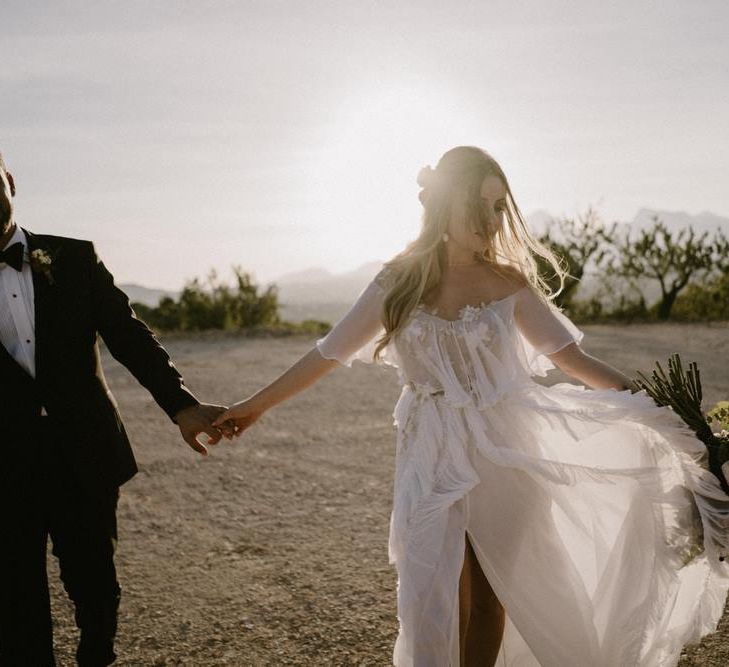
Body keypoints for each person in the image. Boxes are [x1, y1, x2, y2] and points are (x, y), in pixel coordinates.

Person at [214, 146, 729, 666]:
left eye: (501, 205)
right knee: (434, 593)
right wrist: (254, 405)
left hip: (507, 450)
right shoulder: (399, 282)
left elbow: (573, 359)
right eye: (478, 203)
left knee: (489, 598)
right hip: (431, 452)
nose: (491, 217)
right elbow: (329, 351)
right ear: (444, 203)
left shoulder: (509, 283)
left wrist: (673, 417)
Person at [0, 149, 232, 666]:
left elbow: (130, 338)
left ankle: (96, 655)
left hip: (82, 451)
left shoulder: (75, 259)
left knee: (95, 585)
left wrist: (182, 406)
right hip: (3, 464)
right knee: (14, 602)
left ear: (9, 180)